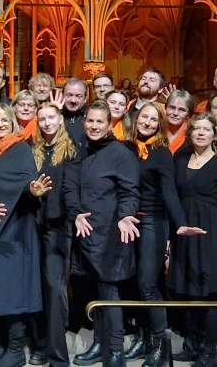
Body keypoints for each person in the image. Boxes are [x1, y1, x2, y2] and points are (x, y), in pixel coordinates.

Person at [125, 103, 204, 367]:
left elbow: (169, 190)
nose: (147, 122)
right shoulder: (128, 148)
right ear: (136, 120)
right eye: (143, 117)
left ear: (159, 124)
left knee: (149, 285)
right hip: (129, 224)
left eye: (153, 119)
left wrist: (179, 223)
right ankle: (144, 337)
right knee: (136, 284)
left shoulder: (160, 153)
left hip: (152, 223)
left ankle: (161, 344)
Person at [65, 100, 140, 367]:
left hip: (111, 233)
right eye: (90, 121)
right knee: (93, 291)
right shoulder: (82, 150)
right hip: (85, 234)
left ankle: (116, 349)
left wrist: (125, 216)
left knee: (109, 291)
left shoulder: (121, 153)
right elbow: (72, 186)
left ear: (110, 125)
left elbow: (130, 192)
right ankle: (99, 343)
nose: (94, 126)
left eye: (100, 121)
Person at [0, 103, 51, 367]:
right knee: (0, 289)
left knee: (15, 290)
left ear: (13, 123)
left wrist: (33, 191)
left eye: (4, 120)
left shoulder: (20, 149)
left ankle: (17, 349)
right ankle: (6, 343)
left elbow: (28, 184)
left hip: (17, 230)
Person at [29, 102, 80, 367]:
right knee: (37, 288)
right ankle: (40, 344)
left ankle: (59, 357)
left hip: (58, 228)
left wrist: (74, 217)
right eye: (42, 119)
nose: (47, 123)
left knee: (55, 290)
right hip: (34, 227)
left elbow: (71, 190)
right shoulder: (34, 150)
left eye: (51, 118)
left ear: (60, 120)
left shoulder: (69, 151)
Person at [168, 113, 217, 367]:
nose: (200, 132)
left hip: (210, 232)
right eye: (196, 128)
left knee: (208, 290)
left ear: (214, 135)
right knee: (186, 287)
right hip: (183, 230)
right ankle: (192, 343)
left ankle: (210, 349)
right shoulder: (181, 160)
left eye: (206, 129)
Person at [62, 77, 88, 148]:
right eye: (69, 95)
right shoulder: (55, 116)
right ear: (62, 96)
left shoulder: (91, 116)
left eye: (78, 96)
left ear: (85, 99)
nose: (73, 100)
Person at [165, 90, 193, 154]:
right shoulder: (155, 129)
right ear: (165, 108)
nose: (175, 113)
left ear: (188, 115)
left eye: (182, 110)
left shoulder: (191, 137)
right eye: (172, 107)